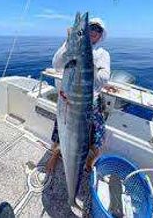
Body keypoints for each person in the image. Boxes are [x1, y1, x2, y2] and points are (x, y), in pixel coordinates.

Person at [45, 17, 111, 174]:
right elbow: (56, 64)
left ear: (101, 35)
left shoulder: (102, 54)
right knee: (60, 132)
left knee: (97, 138)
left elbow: (104, 78)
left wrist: (85, 60)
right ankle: (54, 155)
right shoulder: (70, 46)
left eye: (98, 29)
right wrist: (70, 42)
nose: (94, 31)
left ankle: (89, 163)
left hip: (90, 104)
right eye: (91, 27)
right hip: (66, 101)